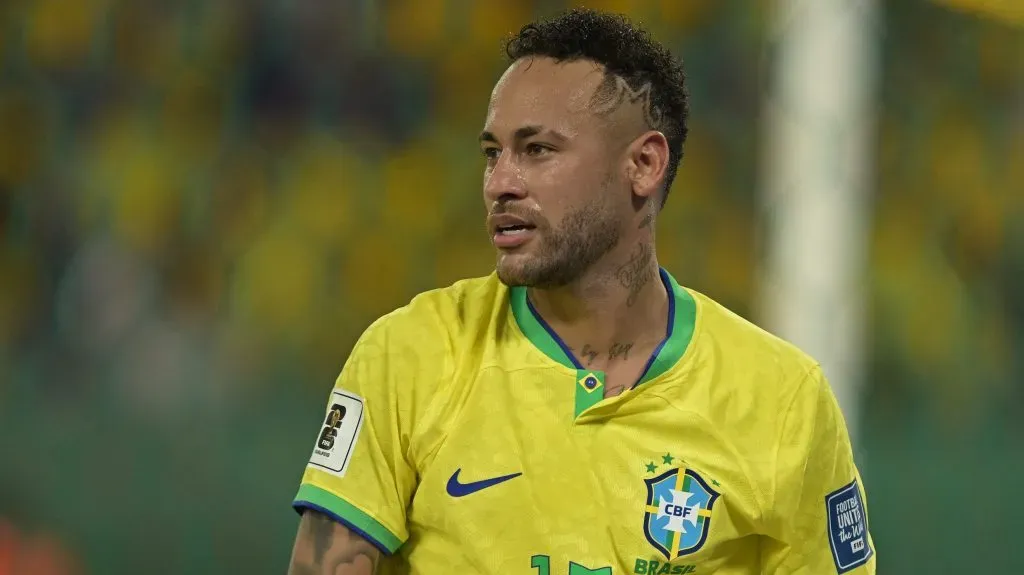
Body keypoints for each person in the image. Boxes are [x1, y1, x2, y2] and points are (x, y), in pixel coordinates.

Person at [287, 8, 876, 575]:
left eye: (537, 150)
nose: (500, 184)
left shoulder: (781, 402)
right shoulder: (410, 356)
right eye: (493, 153)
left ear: (643, 165)